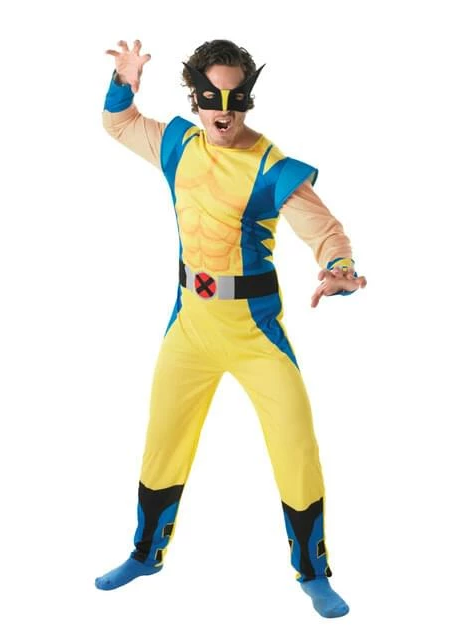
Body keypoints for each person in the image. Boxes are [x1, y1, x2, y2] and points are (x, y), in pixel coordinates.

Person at [95, 38, 367, 619]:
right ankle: (145, 554)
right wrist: (122, 83)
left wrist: (339, 268)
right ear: (194, 97)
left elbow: (324, 230)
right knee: (163, 441)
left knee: (295, 447)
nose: (224, 110)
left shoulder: (272, 167)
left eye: (236, 97)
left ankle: (313, 572)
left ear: (248, 98)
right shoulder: (177, 144)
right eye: (211, 97)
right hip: (190, 326)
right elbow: (119, 124)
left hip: (254, 335)